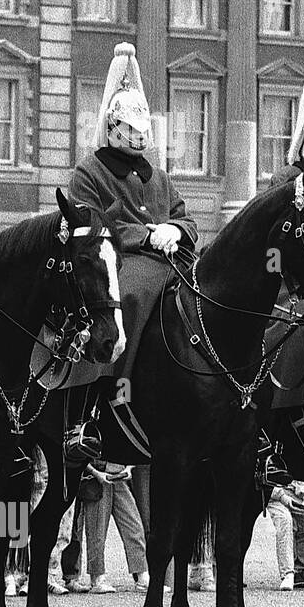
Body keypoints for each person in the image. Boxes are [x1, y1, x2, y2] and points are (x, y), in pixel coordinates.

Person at [64, 42, 198, 475]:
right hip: (117, 262)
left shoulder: (157, 175)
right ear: (115, 127)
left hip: (172, 260)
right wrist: (145, 234)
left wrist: (174, 230)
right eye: (131, 129)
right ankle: (100, 400)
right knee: (134, 295)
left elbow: (185, 217)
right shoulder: (90, 170)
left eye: (143, 130)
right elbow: (90, 224)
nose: (138, 138)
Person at [79, 457, 148, 593]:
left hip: (118, 475)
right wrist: (94, 472)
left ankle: (142, 574)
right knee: (97, 531)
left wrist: (129, 467)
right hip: (98, 475)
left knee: (134, 526)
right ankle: (97, 577)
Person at [263, 471, 304, 592]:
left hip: (295, 495)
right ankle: (288, 574)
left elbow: (303, 474)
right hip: (274, 497)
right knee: (285, 520)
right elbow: (266, 478)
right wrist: (283, 498)